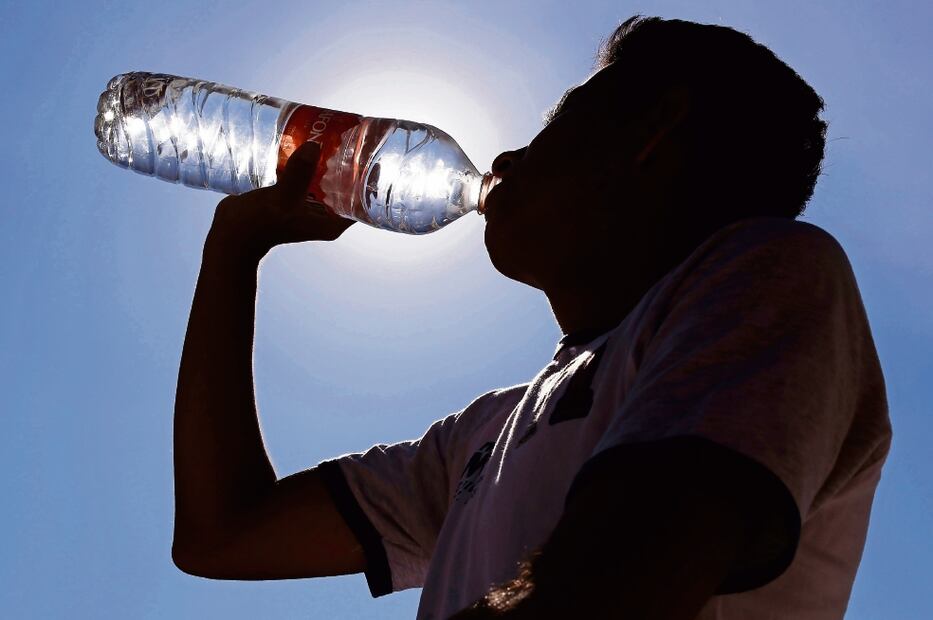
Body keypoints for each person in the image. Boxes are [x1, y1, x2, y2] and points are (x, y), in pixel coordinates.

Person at [170, 15, 892, 620]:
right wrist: (234, 251)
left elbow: (618, 577)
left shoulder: (774, 273)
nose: (508, 156)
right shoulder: (481, 436)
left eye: (558, 120)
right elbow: (221, 535)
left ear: (654, 130)